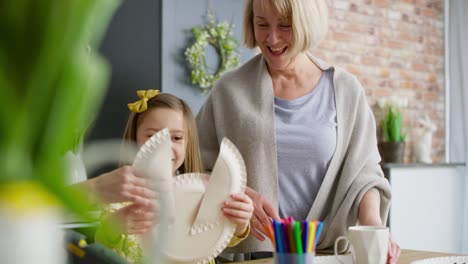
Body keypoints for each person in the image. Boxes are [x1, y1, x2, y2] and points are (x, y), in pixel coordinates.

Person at [196, 0, 400, 261]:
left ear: (307, 24)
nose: (272, 38)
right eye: (262, 25)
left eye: (285, 26)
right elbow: (195, 168)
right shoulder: (229, 90)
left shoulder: (346, 90)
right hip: (256, 257)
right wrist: (240, 193)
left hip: (330, 255)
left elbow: (366, 172)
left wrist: (372, 226)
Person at [95, 90, 254, 264]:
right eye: (153, 136)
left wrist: (240, 223)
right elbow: (101, 248)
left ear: (187, 144)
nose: (165, 146)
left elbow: (220, 233)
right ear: (134, 138)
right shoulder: (118, 198)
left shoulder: (200, 192)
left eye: (176, 138)